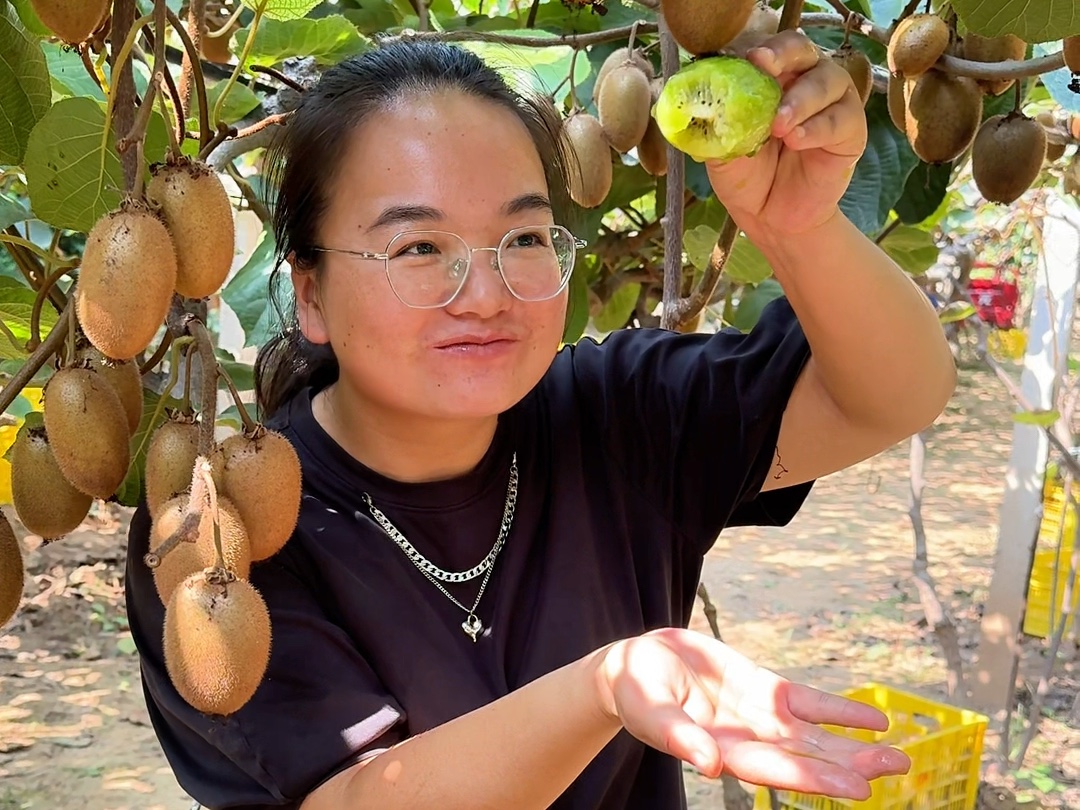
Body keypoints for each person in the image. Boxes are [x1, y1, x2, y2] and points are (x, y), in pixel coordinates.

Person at [124, 29, 957, 810]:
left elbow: (892, 396)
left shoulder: (617, 414)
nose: (485, 296)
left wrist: (796, 226)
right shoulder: (228, 523)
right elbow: (356, 794)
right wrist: (606, 686)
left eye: (522, 238)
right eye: (418, 248)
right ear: (310, 291)